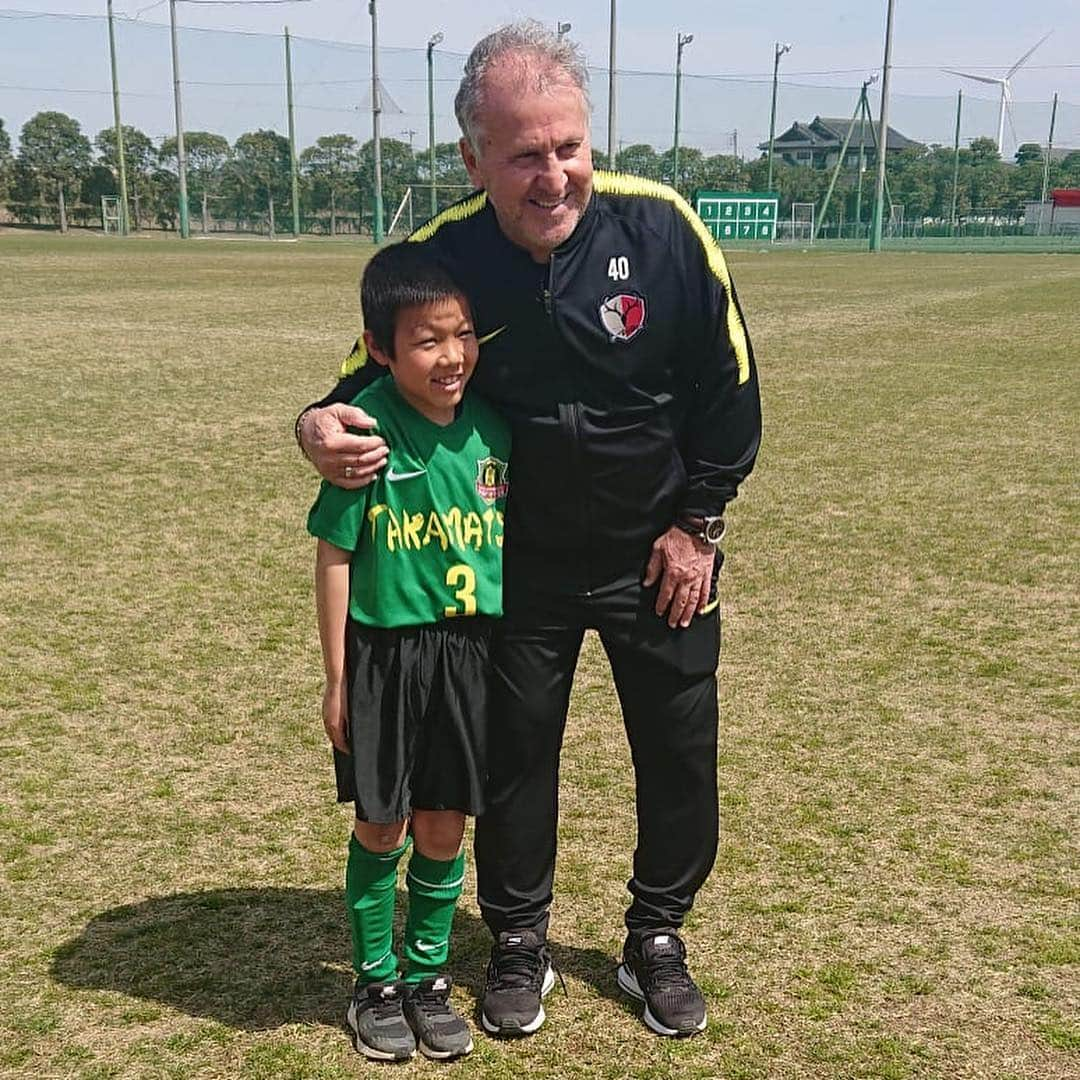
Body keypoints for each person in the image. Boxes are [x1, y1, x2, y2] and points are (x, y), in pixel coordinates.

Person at [297, 21, 761, 1040]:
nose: (554, 176)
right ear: (472, 158)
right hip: (516, 568)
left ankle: (658, 936)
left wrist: (699, 524)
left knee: (679, 755)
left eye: (570, 147)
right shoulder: (444, 257)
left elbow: (731, 389)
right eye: (524, 155)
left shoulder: (665, 229)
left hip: (659, 556)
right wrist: (314, 424)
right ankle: (516, 942)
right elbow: (359, 391)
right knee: (512, 761)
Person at [307, 242, 510, 1061]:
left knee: (443, 823)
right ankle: (373, 981)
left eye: (461, 335)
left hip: (469, 655)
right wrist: (336, 678)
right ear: (381, 348)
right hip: (386, 657)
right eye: (427, 340)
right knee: (382, 824)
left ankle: (428, 976)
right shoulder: (365, 437)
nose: (451, 355)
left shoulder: (496, 432)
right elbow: (334, 555)